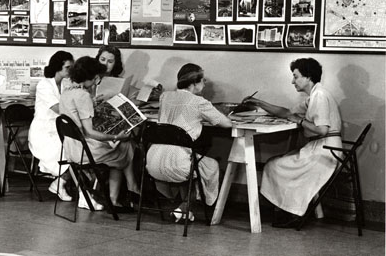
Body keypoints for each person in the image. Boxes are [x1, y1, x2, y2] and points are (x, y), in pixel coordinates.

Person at [243, 57, 342, 227]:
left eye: (296, 77)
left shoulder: (319, 95)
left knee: (274, 166)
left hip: (325, 150)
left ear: (308, 77)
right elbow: (287, 112)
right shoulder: (315, 95)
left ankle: (293, 212)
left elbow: (322, 129)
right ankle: (292, 210)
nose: (292, 81)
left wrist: (298, 120)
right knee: (276, 163)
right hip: (321, 147)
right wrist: (259, 103)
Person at [146, 63, 232, 222]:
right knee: (209, 166)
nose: (204, 83)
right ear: (194, 84)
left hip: (152, 161)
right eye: (203, 80)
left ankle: (183, 208)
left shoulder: (165, 97)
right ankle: (186, 208)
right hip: (177, 164)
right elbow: (227, 124)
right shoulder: (199, 102)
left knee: (192, 161)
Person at [59, 56, 139, 212]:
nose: (97, 83)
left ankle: (126, 192)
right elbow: (90, 132)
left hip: (70, 149)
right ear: (94, 77)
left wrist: (93, 103)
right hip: (85, 152)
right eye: (97, 79)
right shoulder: (83, 96)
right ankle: (124, 193)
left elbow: (77, 116)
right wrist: (116, 136)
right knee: (125, 146)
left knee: (122, 148)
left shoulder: (67, 92)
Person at [28, 51, 74, 201]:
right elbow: (58, 109)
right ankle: (66, 185)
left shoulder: (67, 83)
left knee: (77, 148)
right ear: (57, 67)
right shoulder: (44, 84)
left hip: (60, 129)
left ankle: (60, 182)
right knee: (68, 150)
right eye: (67, 67)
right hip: (44, 132)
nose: (70, 71)